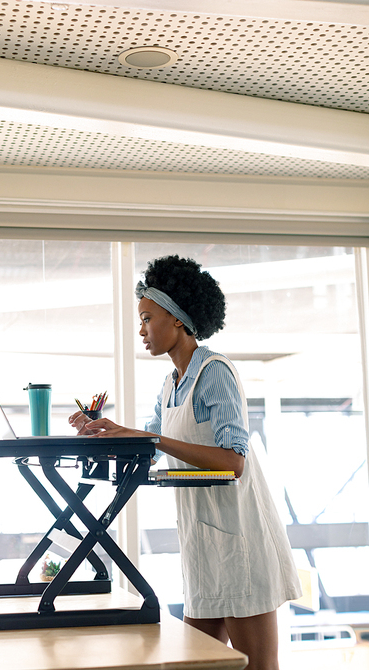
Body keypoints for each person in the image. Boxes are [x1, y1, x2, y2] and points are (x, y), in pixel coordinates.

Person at [69, 254, 302, 670]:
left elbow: (234, 462)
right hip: (203, 549)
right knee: (195, 664)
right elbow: (151, 446)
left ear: (176, 319)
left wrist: (147, 436)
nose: (141, 330)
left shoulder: (215, 373)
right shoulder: (170, 383)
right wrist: (102, 433)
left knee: (258, 668)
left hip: (240, 545)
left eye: (146, 318)